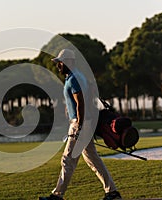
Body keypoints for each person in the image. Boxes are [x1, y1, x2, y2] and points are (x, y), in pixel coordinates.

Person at [39, 49, 122, 200]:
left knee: (67, 159)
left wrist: (79, 125)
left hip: (80, 123)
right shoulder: (77, 76)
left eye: (60, 62)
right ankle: (112, 192)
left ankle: (57, 196)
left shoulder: (74, 79)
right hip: (85, 122)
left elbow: (80, 104)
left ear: (69, 62)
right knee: (93, 159)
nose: (58, 66)